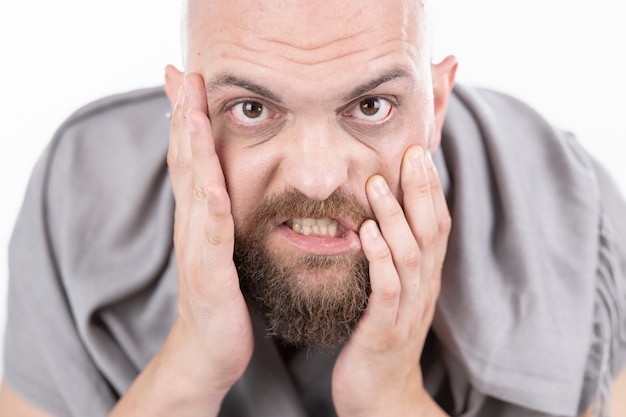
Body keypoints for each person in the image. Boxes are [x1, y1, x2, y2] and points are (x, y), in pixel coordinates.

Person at [1, 0, 625, 416]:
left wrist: (390, 393)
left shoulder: (573, 217)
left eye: (372, 106)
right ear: (186, 109)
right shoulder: (78, 194)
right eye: (252, 109)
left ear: (434, 106)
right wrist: (190, 365)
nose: (319, 179)